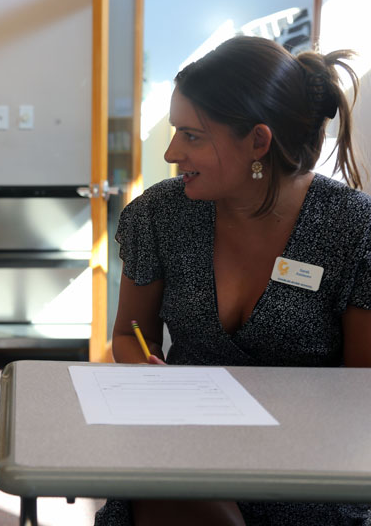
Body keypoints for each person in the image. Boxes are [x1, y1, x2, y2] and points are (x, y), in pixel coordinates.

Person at [96, 36, 371, 525]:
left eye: (192, 135)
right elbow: (126, 335)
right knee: (182, 498)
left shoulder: (354, 228)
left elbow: (360, 393)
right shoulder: (160, 215)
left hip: (308, 466)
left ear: (258, 143)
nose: (171, 152)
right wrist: (147, 372)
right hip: (186, 446)